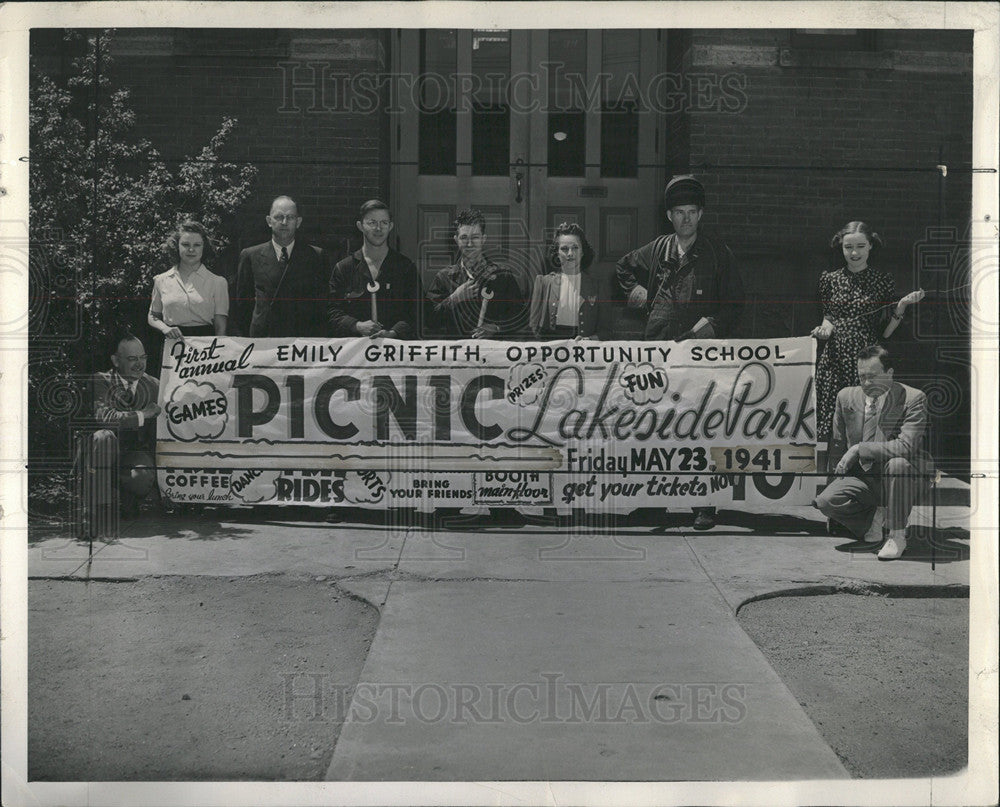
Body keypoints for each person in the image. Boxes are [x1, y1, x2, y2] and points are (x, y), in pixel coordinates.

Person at [616, 174, 745, 531]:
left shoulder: (719, 253)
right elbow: (623, 268)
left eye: (692, 212)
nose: (686, 219)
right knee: (654, 424)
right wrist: (637, 291)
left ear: (701, 214)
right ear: (669, 216)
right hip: (657, 348)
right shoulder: (658, 249)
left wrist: (713, 326)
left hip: (700, 355)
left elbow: (736, 305)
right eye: (679, 213)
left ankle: (703, 505)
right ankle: (652, 502)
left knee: (699, 428)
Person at [811, 221, 925, 456]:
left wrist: (902, 305)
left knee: (865, 417)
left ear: (870, 246)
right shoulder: (829, 279)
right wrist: (824, 330)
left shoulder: (882, 280)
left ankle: (862, 472)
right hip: (834, 357)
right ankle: (833, 475)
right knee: (832, 420)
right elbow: (829, 318)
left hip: (866, 359)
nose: (854, 253)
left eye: (860, 246)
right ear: (840, 247)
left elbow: (885, 332)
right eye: (848, 247)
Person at [814, 345, 933, 560]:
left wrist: (860, 448)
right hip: (866, 478)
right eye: (862, 377)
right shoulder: (845, 397)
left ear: (890, 373)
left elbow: (906, 447)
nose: (867, 383)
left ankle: (897, 535)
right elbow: (838, 445)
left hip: (905, 477)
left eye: (873, 376)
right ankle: (874, 519)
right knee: (825, 501)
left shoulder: (914, 398)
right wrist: (834, 484)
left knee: (898, 464)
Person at [81, 333, 163, 533]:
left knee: (142, 475)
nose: (139, 364)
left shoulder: (154, 385)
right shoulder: (100, 380)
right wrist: (143, 414)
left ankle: (129, 497)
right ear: (116, 361)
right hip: (99, 454)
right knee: (104, 437)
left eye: (143, 358)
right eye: (132, 359)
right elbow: (105, 417)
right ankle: (91, 511)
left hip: (132, 455)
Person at [233, 195, 330, 337]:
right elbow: (242, 306)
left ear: (298, 222)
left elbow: (322, 304)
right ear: (269, 221)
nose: (284, 222)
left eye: (290, 217)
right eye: (279, 217)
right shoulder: (250, 255)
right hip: (264, 340)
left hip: (302, 341)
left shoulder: (316, 256)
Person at [329, 200, 421, 339]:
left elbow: (418, 311)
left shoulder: (405, 267)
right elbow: (331, 311)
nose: (378, 228)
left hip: (395, 353)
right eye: (372, 223)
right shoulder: (344, 268)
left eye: (384, 223)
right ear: (360, 226)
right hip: (355, 354)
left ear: (390, 226)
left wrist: (394, 333)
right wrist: (356, 325)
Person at [426, 209, 525, 338]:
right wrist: (454, 298)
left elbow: (521, 317)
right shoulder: (443, 277)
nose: (469, 244)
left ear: (483, 239)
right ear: (456, 240)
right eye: (464, 238)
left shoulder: (503, 276)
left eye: (475, 237)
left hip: (491, 353)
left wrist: (497, 328)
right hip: (456, 353)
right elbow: (430, 321)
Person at [147, 220, 228, 373]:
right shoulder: (161, 280)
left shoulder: (218, 282)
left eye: (197, 245)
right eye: (185, 244)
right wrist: (165, 328)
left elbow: (220, 327)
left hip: (206, 349)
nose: (191, 249)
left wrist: (218, 355)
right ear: (176, 246)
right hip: (173, 347)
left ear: (204, 247)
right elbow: (152, 316)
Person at [529, 222, 609, 340]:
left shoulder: (597, 286)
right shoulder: (543, 283)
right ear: (557, 253)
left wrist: (590, 339)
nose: (570, 254)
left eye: (575, 248)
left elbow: (606, 330)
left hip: (583, 350)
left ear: (582, 252)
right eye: (565, 249)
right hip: (551, 349)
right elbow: (533, 326)